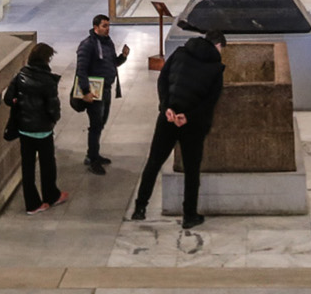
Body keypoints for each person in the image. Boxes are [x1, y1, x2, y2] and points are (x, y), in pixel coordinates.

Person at [131, 31, 226, 229]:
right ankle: (189, 215)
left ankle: (140, 208)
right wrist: (188, 117)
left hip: (168, 117)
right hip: (192, 125)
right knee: (191, 171)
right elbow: (210, 102)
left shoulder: (180, 52)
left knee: (154, 162)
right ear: (217, 46)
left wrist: (167, 108)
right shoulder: (216, 68)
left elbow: (163, 80)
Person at [2, 42, 69, 214]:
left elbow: (8, 99)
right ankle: (51, 196)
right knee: (47, 164)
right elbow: (53, 107)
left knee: (28, 167)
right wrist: (55, 119)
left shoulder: (20, 76)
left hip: (25, 130)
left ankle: (33, 204)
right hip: (43, 130)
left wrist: (18, 102)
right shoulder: (48, 81)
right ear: (46, 59)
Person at [76, 14, 130, 175]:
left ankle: (94, 154)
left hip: (106, 89)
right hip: (94, 92)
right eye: (104, 26)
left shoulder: (107, 42)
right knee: (95, 125)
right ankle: (92, 159)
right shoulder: (87, 45)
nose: (107, 29)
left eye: (108, 26)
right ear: (95, 27)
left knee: (101, 123)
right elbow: (81, 70)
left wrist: (123, 57)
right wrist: (86, 91)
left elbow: (112, 63)